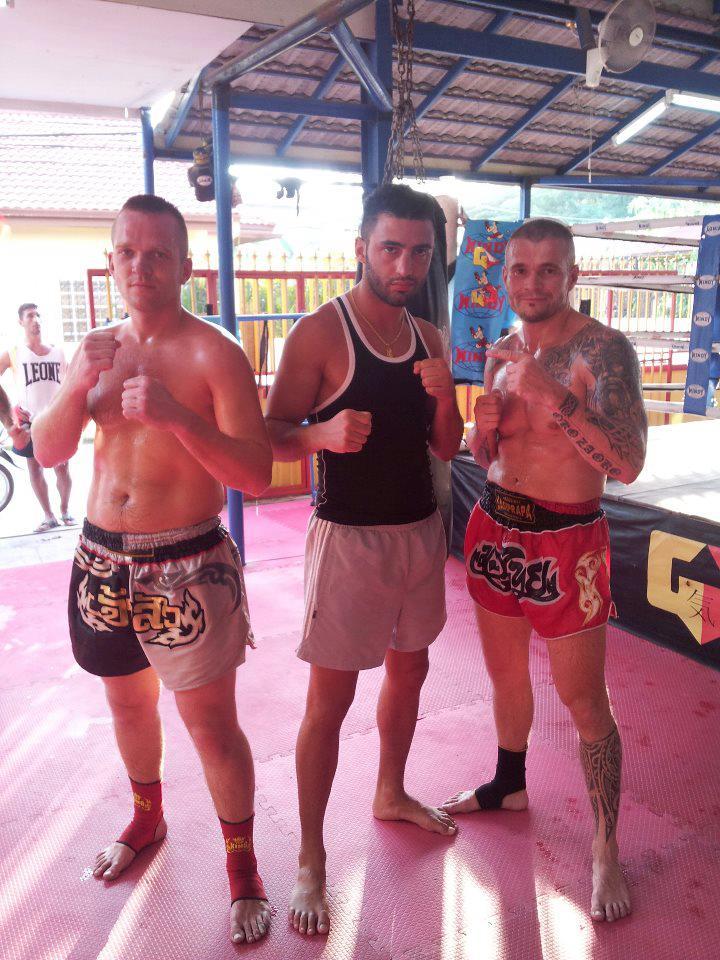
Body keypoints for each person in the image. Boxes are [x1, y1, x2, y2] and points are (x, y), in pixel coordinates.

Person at [32, 194, 273, 945]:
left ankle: (242, 868)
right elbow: (48, 449)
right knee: (128, 707)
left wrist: (178, 417)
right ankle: (147, 817)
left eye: (158, 253)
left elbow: (256, 473)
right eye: (127, 252)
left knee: (211, 725)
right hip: (101, 559)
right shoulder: (94, 348)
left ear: (185, 266)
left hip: (187, 562)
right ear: (111, 262)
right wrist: (77, 385)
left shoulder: (215, 353)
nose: (141, 266)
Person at [265, 183, 464, 937]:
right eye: (390, 248)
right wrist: (319, 435)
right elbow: (268, 433)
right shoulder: (320, 333)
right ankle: (311, 855)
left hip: (419, 534)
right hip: (348, 541)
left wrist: (446, 398)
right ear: (361, 248)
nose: (405, 265)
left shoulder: (431, 337)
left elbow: (445, 446)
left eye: (419, 251)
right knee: (331, 700)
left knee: (411, 673)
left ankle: (390, 791)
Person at [441, 218, 647, 923]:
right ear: (504, 277)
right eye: (520, 270)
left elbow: (627, 463)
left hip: (567, 540)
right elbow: (485, 456)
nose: (532, 283)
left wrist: (554, 396)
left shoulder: (602, 350)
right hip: (496, 527)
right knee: (504, 679)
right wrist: (484, 431)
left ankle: (605, 846)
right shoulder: (501, 350)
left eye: (548, 269)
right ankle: (509, 783)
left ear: (572, 275)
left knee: (583, 699)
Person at [0, 303, 74, 532]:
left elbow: (71, 383)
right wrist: (11, 410)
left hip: (56, 420)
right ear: (21, 321)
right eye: (30, 316)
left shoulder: (58, 352)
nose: (36, 319)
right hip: (28, 421)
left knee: (62, 468)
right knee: (35, 469)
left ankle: (65, 510)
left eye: (38, 315)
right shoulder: (14, 352)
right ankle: (48, 515)